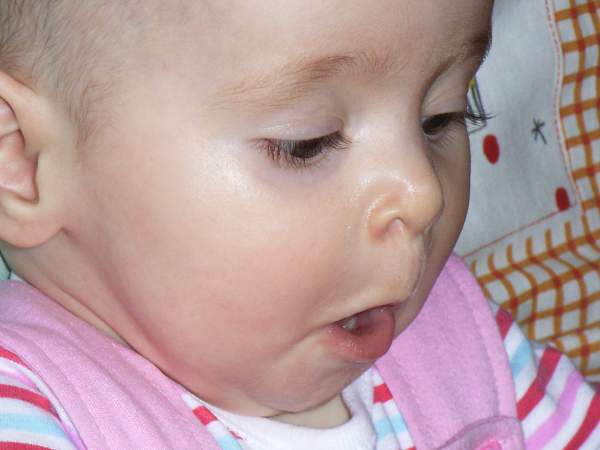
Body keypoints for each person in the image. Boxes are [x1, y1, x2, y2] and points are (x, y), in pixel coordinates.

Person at [0, 0, 596, 448]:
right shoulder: (28, 408)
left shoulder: (464, 346)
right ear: (21, 160)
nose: (423, 193)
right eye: (308, 143)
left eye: (440, 117)